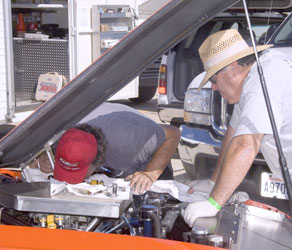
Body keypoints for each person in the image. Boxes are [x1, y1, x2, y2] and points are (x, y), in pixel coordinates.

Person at [183, 29, 292, 227]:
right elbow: (233, 135)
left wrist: (214, 203)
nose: (214, 87)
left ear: (233, 68)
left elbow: (245, 145)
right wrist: (213, 183)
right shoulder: (251, 81)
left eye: (214, 80)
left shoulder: (265, 79)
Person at [33, 102, 181, 194]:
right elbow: (30, 162)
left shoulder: (129, 138)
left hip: (147, 164)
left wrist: (150, 174)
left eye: (79, 172)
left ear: (97, 160)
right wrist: (41, 161)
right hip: (114, 165)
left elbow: (173, 133)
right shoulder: (63, 133)